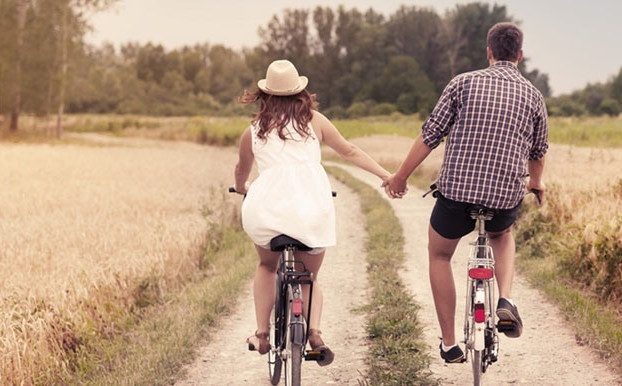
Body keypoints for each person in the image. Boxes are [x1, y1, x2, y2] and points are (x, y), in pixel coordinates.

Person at [384, 22, 548, 363]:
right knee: (502, 234)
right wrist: (536, 183)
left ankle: (449, 343)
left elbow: (430, 136)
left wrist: (401, 177)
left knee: (440, 255)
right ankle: (505, 300)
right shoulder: (534, 96)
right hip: (503, 198)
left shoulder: (463, 83)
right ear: (520, 55)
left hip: (456, 195)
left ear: (488, 51)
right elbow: (538, 151)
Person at [234, 59, 392, 366]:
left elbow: (241, 171)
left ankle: (262, 334)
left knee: (267, 267)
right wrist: (386, 175)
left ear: (265, 95)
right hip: (311, 210)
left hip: (266, 212)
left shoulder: (252, 131)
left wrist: (242, 188)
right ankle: (315, 334)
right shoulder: (316, 121)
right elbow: (349, 151)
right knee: (310, 276)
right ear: (300, 93)